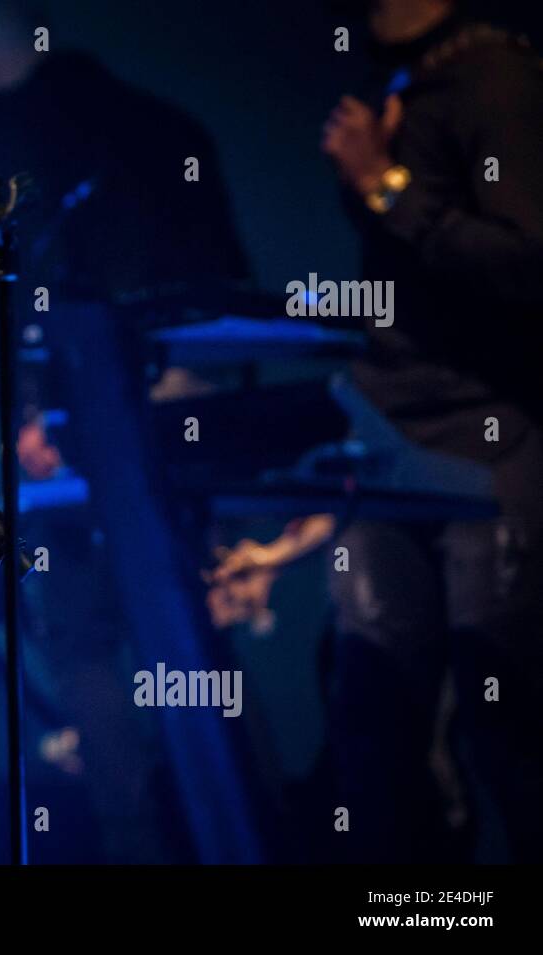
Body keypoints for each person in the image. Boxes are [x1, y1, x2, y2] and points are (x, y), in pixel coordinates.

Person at [209, 0, 543, 861]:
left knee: (504, 726)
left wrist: (387, 187)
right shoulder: (391, 76)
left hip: (488, 443)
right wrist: (283, 549)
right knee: (376, 721)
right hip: (387, 436)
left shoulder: (497, 78)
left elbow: (525, 263)